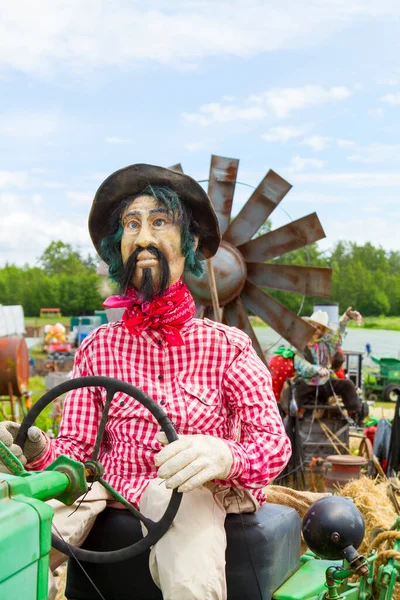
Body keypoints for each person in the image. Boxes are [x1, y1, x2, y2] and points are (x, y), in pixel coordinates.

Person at [0, 164, 291, 600]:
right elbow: (77, 453)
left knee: (185, 532)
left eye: (159, 222)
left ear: (189, 243)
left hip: (188, 496)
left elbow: (273, 445)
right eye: (131, 224)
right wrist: (38, 446)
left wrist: (223, 454)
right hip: (103, 491)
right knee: (15, 531)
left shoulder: (227, 346)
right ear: (119, 247)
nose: (143, 237)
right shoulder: (99, 346)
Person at [288, 308, 363, 417]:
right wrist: (316, 369)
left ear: (322, 331)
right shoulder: (301, 344)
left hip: (325, 382)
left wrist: (346, 318)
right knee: (293, 399)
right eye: (313, 325)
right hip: (306, 383)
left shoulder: (327, 345)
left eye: (319, 328)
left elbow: (338, 336)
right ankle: (292, 422)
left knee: (347, 385)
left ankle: (355, 415)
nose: (315, 329)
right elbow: (300, 364)